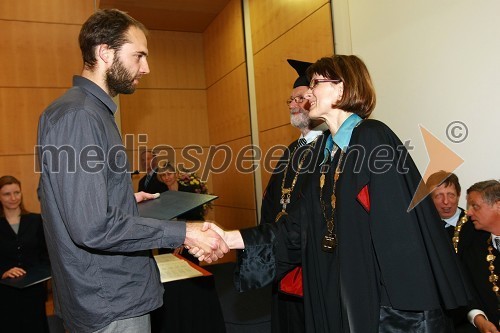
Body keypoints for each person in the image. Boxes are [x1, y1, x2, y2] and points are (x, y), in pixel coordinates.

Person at [199, 55, 471, 332]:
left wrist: (400, 315)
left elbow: (397, 232)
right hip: (335, 283)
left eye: (316, 83)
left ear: (341, 90)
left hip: (378, 296)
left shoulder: (372, 137)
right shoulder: (323, 152)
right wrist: (230, 238)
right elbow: (298, 225)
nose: (309, 93)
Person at [36, 9, 227, 333]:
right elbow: (91, 227)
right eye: (138, 55)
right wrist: (184, 232)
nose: (146, 67)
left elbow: (71, 203)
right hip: (110, 300)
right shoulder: (80, 117)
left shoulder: (87, 112)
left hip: (109, 295)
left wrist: (122, 200)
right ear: (105, 52)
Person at [231, 59, 327, 332]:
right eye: (291, 99)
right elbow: (272, 202)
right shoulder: (291, 150)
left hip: (312, 261)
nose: (292, 104)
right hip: (284, 256)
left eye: (299, 98)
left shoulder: (332, 148)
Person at [0, 175, 49, 333]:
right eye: (7, 194)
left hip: (33, 292)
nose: (13, 198)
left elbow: (46, 255)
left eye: (17, 192)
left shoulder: (36, 220)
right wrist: (3, 272)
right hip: (5, 294)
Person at [458, 180, 500, 333]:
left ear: (498, 206)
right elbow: (467, 293)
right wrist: (479, 320)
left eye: (475, 206)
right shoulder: (473, 248)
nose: (468, 213)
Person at [426, 171, 487, 256]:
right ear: (429, 199)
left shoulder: (476, 227)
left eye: (451, 195)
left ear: (458, 195)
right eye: (439, 196)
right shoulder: (423, 225)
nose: (446, 201)